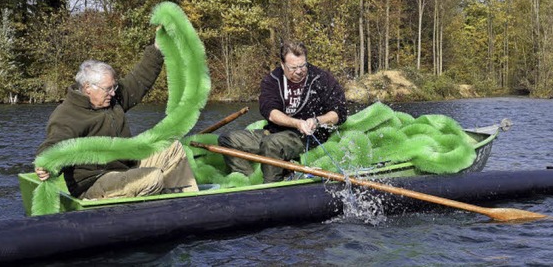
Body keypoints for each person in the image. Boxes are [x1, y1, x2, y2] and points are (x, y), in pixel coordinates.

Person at [35, 37, 198, 200]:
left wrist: (157, 48)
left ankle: (189, 201)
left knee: (171, 145)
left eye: (114, 87)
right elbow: (54, 144)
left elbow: (139, 79)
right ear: (87, 88)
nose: (113, 93)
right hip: (94, 183)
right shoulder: (67, 115)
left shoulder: (112, 100)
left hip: (126, 169)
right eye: (108, 89)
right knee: (152, 177)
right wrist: (46, 164)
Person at [218, 41, 347, 183]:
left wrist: (317, 121)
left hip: (306, 136)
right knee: (227, 139)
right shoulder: (272, 80)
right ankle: (251, 181)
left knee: (271, 144)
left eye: (302, 66)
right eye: (293, 67)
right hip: (275, 132)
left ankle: (272, 187)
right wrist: (297, 123)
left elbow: (338, 112)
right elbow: (271, 112)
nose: (299, 71)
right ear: (282, 64)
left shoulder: (322, 78)